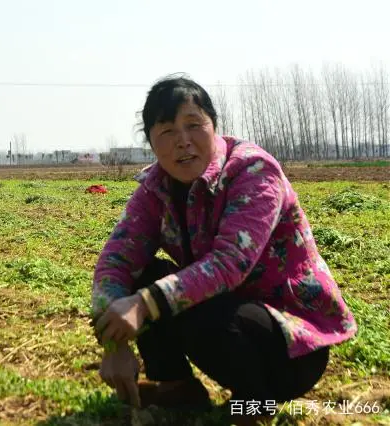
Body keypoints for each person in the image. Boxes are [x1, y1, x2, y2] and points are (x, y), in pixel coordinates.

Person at [91, 75, 357, 423]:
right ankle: (177, 388)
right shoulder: (155, 189)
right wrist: (115, 345)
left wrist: (144, 305)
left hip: (289, 345)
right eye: (168, 132)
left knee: (181, 302)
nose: (183, 142)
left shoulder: (253, 172)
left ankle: (255, 402)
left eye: (194, 125)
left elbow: (229, 264)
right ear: (152, 144)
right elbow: (115, 261)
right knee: (150, 278)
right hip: (226, 316)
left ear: (214, 127)